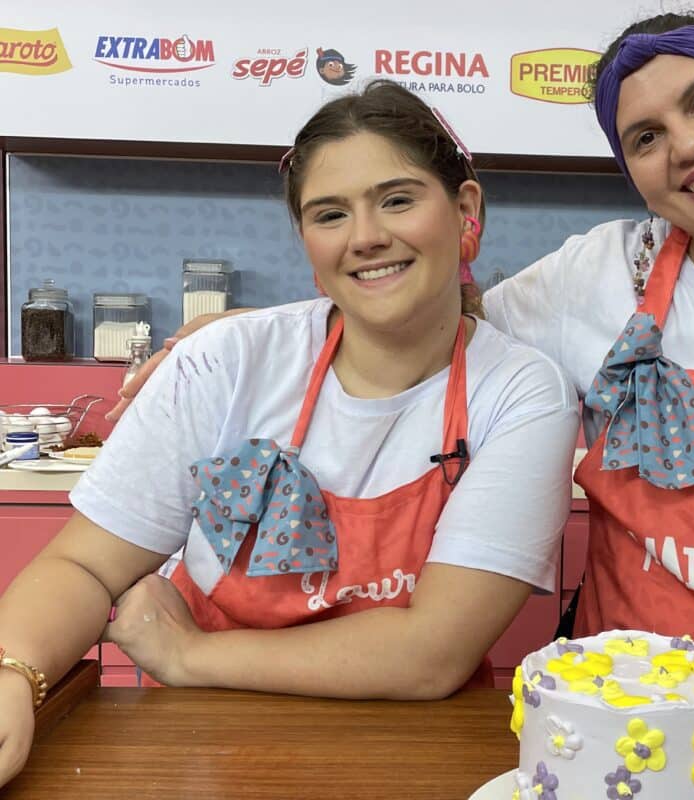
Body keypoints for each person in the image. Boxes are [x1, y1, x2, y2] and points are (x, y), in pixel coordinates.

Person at [109, 11, 694, 799]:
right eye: (644, 138)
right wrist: (239, 333)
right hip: (625, 742)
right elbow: (422, 300)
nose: (686, 144)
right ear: (631, 169)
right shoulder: (598, 277)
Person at [0, 80, 579, 788]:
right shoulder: (227, 361)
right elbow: (83, 567)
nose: (366, 236)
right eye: (330, 213)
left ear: (465, 211)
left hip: (413, 751)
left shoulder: (522, 392)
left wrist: (188, 657)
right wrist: (13, 672)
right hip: (202, 747)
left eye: (397, 199)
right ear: (307, 241)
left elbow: (432, 654)